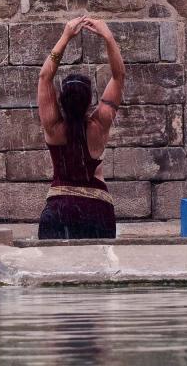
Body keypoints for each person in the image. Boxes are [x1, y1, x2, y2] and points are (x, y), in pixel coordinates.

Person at [37, 16, 125, 240]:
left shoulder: (53, 127)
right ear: (89, 102)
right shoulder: (99, 124)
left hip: (59, 210)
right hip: (98, 211)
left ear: (61, 100)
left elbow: (45, 77)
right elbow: (119, 76)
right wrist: (108, 36)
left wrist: (65, 37)